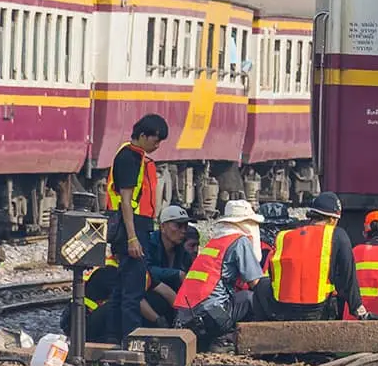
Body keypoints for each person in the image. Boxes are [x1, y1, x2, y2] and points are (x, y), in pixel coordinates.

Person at [104, 113, 168, 342]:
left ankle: (113, 338)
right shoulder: (129, 158)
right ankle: (131, 341)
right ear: (142, 135)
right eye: (155, 140)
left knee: (122, 290)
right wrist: (132, 238)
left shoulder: (133, 156)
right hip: (131, 229)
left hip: (132, 228)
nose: (157, 146)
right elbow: (126, 199)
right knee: (133, 291)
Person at [173, 200, 269, 347]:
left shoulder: (216, 240)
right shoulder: (240, 241)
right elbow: (255, 283)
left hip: (186, 317)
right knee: (251, 298)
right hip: (210, 317)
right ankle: (227, 339)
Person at [263, 192, 372, 321]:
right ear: (332, 220)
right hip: (318, 309)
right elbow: (347, 277)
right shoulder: (337, 234)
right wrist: (358, 310)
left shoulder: (284, 235)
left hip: (283, 309)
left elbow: (270, 274)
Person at [146, 205, 194, 291]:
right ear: (163, 227)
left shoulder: (183, 250)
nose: (183, 231)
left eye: (185, 226)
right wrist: (175, 274)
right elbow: (146, 270)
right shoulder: (148, 244)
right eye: (178, 225)